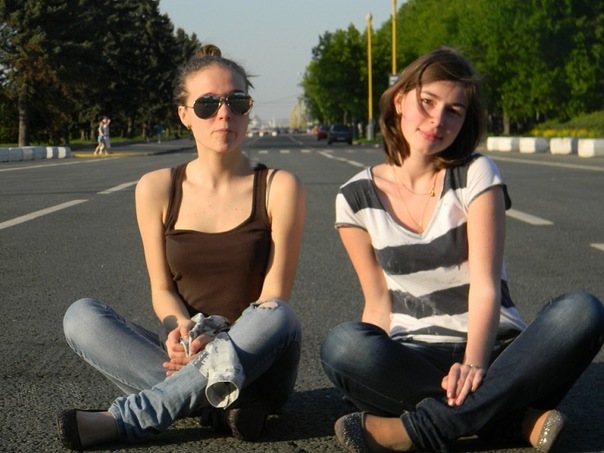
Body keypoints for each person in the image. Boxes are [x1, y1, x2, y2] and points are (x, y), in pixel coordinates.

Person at [320, 47, 604, 452]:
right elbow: (378, 300)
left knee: (581, 311)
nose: (438, 120)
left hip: (498, 353)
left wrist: (473, 363)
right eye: (427, 102)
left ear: (464, 120)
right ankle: (509, 419)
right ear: (399, 101)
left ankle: (423, 427)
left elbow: (485, 286)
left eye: (453, 111)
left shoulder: (475, 173)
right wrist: (365, 373)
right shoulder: (353, 197)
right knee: (343, 346)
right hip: (415, 357)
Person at [57, 44, 306, 450]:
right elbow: (162, 288)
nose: (224, 114)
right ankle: (221, 408)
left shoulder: (279, 186)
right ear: (184, 114)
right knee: (81, 317)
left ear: (248, 109)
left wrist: (216, 346)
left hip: (258, 362)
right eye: (207, 104)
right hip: (183, 349)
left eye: (237, 102)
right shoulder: (156, 188)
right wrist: (180, 329)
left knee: (279, 315)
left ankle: (135, 417)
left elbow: (273, 296)